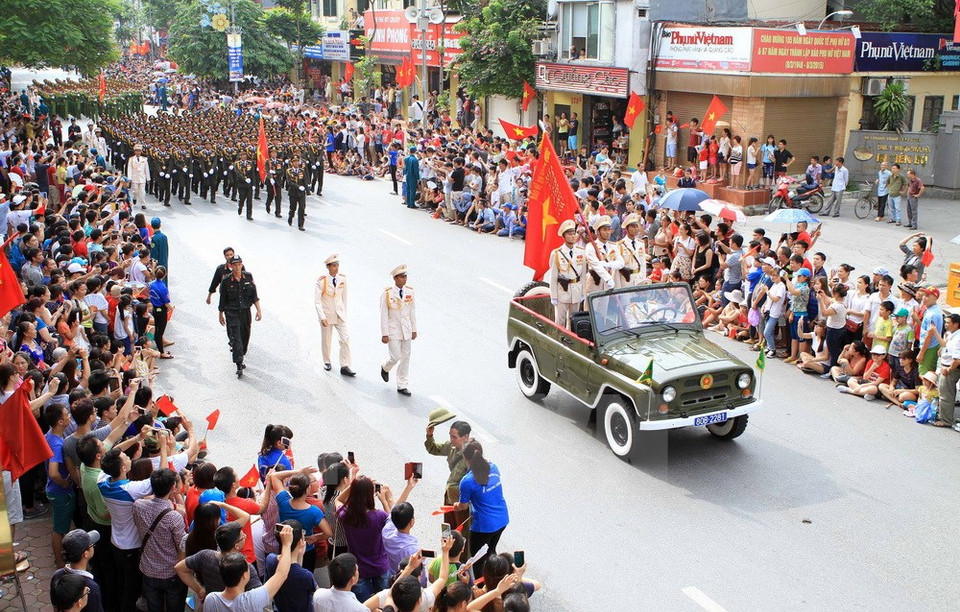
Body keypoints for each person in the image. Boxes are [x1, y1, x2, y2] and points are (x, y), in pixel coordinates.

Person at [203, 524, 295, 611]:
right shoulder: (252, 600)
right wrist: (286, 545)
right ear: (244, 575)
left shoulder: (211, 599)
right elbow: (281, 574)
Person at [134, 468, 188, 612]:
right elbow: (181, 545)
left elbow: (146, 500)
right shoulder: (174, 517)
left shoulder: (138, 506)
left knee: (154, 607)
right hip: (170, 572)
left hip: (148, 568)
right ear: (173, 488)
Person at [454, 441, 508, 577]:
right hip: (502, 520)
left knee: (478, 560)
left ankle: (480, 587)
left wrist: (456, 506)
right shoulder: (494, 467)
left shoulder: (467, 481)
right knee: (491, 551)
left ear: (466, 458)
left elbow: (463, 506)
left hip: (483, 527)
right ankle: (495, 578)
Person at [425, 411, 472, 543]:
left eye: (454, 437)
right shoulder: (451, 447)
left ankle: (460, 559)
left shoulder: (472, 454)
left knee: (462, 533)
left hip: (462, 500)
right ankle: (446, 550)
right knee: (448, 527)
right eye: (450, 436)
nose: (451, 440)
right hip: (450, 495)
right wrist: (430, 435)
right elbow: (433, 449)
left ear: (466, 437)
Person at [218, 255, 262, 378]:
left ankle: (241, 354)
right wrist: (221, 314)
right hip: (232, 313)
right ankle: (239, 363)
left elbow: (254, 295)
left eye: (239, 264)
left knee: (245, 336)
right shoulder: (226, 281)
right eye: (235, 265)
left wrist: (258, 310)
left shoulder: (248, 277)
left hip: (245, 312)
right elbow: (223, 299)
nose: (237, 267)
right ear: (231, 266)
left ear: (242, 265)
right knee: (236, 338)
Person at [264, 519, 317, 612]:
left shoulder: (270, 559)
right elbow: (317, 593)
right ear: (300, 542)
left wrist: (300, 556)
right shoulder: (306, 575)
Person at [381, 264, 417, 396]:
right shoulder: (387, 293)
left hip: (406, 330)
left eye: (405, 276)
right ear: (395, 278)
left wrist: (414, 329)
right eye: (402, 276)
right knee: (395, 357)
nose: (404, 279)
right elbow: (384, 315)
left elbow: (412, 312)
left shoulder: (410, 292)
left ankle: (402, 385)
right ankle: (385, 367)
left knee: (406, 357)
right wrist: (384, 334)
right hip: (393, 330)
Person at [315, 254, 354, 376]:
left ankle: (345, 365)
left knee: (345, 338)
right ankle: (327, 361)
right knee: (326, 340)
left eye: (338, 265)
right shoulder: (321, 281)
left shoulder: (342, 279)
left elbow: (344, 297)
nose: (337, 268)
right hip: (327, 316)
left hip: (340, 315)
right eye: (334, 265)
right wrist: (322, 317)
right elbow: (317, 301)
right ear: (328, 267)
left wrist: (344, 313)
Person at [51, 529, 104, 612]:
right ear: (85, 554)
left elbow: (56, 607)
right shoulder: (91, 588)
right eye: (91, 545)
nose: (92, 546)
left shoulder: (57, 575)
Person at [548, 220, 586, 328]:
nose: (573, 236)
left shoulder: (581, 252)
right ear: (563, 236)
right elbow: (553, 277)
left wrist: (583, 292)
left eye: (574, 233)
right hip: (562, 291)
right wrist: (553, 295)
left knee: (573, 320)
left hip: (576, 289)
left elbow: (583, 275)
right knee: (560, 320)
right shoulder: (557, 254)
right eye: (569, 234)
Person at [931, 313, 960, 429]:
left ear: (956, 324)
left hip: (950, 369)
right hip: (946, 366)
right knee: (945, 393)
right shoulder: (952, 335)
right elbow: (944, 344)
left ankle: (946, 420)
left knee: (946, 394)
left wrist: (948, 369)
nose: (946, 325)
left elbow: (957, 359)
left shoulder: (958, 339)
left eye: (948, 323)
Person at [149, 266, 174, 359]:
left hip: (155, 308)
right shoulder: (163, 288)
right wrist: (171, 309)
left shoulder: (151, 284)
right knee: (160, 331)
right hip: (161, 310)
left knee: (157, 327)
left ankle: (160, 344)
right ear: (165, 275)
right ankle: (162, 352)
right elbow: (166, 303)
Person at [126, 144, 150, 210]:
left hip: (142, 177)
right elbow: (129, 169)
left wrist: (148, 178)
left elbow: (146, 169)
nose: (138, 152)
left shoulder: (144, 159)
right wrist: (129, 178)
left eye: (139, 151)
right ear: (134, 151)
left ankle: (143, 204)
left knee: (142, 191)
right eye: (136, 151)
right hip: (134, 177)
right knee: (135, 191)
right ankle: (134, 197)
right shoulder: (131, 159)